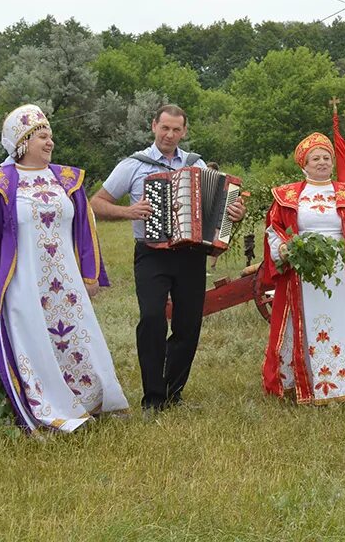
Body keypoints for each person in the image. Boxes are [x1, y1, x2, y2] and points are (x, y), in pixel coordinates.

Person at [0, 104, 128, 431]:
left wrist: (90, 274)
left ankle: (88, 400)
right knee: (34, 345)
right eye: (41, 136)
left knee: (79, 341)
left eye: (50, 135)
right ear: (22, 144)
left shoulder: (67, 180)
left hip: (66, 285)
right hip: (22, 284)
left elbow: (85, 231)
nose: (50, 142)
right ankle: (47, 408)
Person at [91, 104, 245, 412]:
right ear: (154, 126)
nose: (170, 135)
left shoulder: (197, 164)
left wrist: (234, 213)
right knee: (151, 319)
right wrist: (128, 211)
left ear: (184, 131)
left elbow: (220, 208)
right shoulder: (134, 165)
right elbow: (95, 203)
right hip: (151, 254)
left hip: (191, 254)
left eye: (176, 130)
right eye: (165, 128)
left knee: (188, 325)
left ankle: (173, 394)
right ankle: (153, 398)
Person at [259, 133, 345, 405]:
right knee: (305, 325)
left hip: (339, 274)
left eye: (326, 158)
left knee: (340, 325)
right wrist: (284, 249)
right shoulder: (287, 196)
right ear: (304, 164)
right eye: (316, 158)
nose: (322, 162)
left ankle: (342, 384)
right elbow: (274, 230)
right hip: (302, 273)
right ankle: (307, 383)